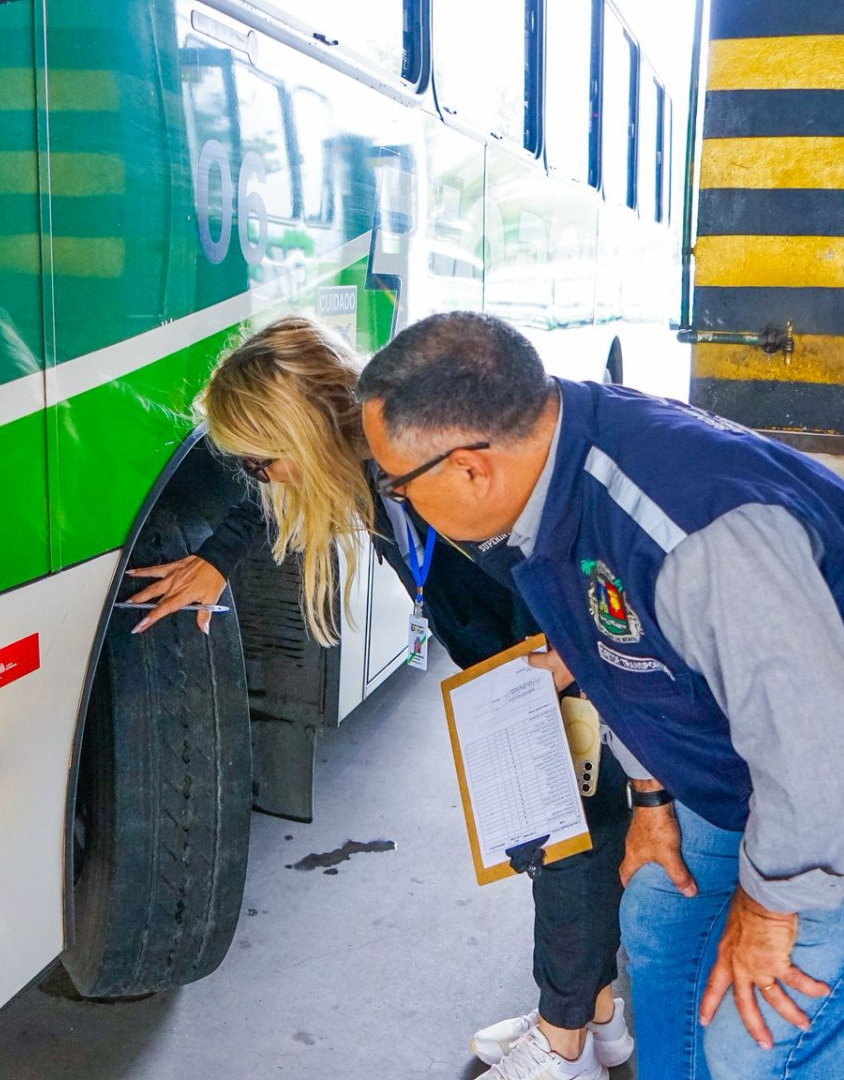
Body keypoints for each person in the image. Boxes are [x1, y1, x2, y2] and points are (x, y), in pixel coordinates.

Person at [356, 311, 844, 1080]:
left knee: (757, 1046)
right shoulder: (558, 459)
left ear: (468, 468)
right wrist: (652, 800)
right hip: (748, 762)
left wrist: (771, 904)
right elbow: (625, 651)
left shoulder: (692, 527)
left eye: (396, 483)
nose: (399, 500)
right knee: (658, 931)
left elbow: (815, 739)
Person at [126, 316, 637, 1079]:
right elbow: (262, 504)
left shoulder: (433, 466)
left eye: (263, 463)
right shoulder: (361, 458)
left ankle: (564, 1045)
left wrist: (543, 680)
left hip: (550, 658)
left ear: (300, 437)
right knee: (551, 843)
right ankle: (596, 1020)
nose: (264, 481)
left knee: (567, 839)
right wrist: (217, 558)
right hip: (508, 658)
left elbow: (545, 567)